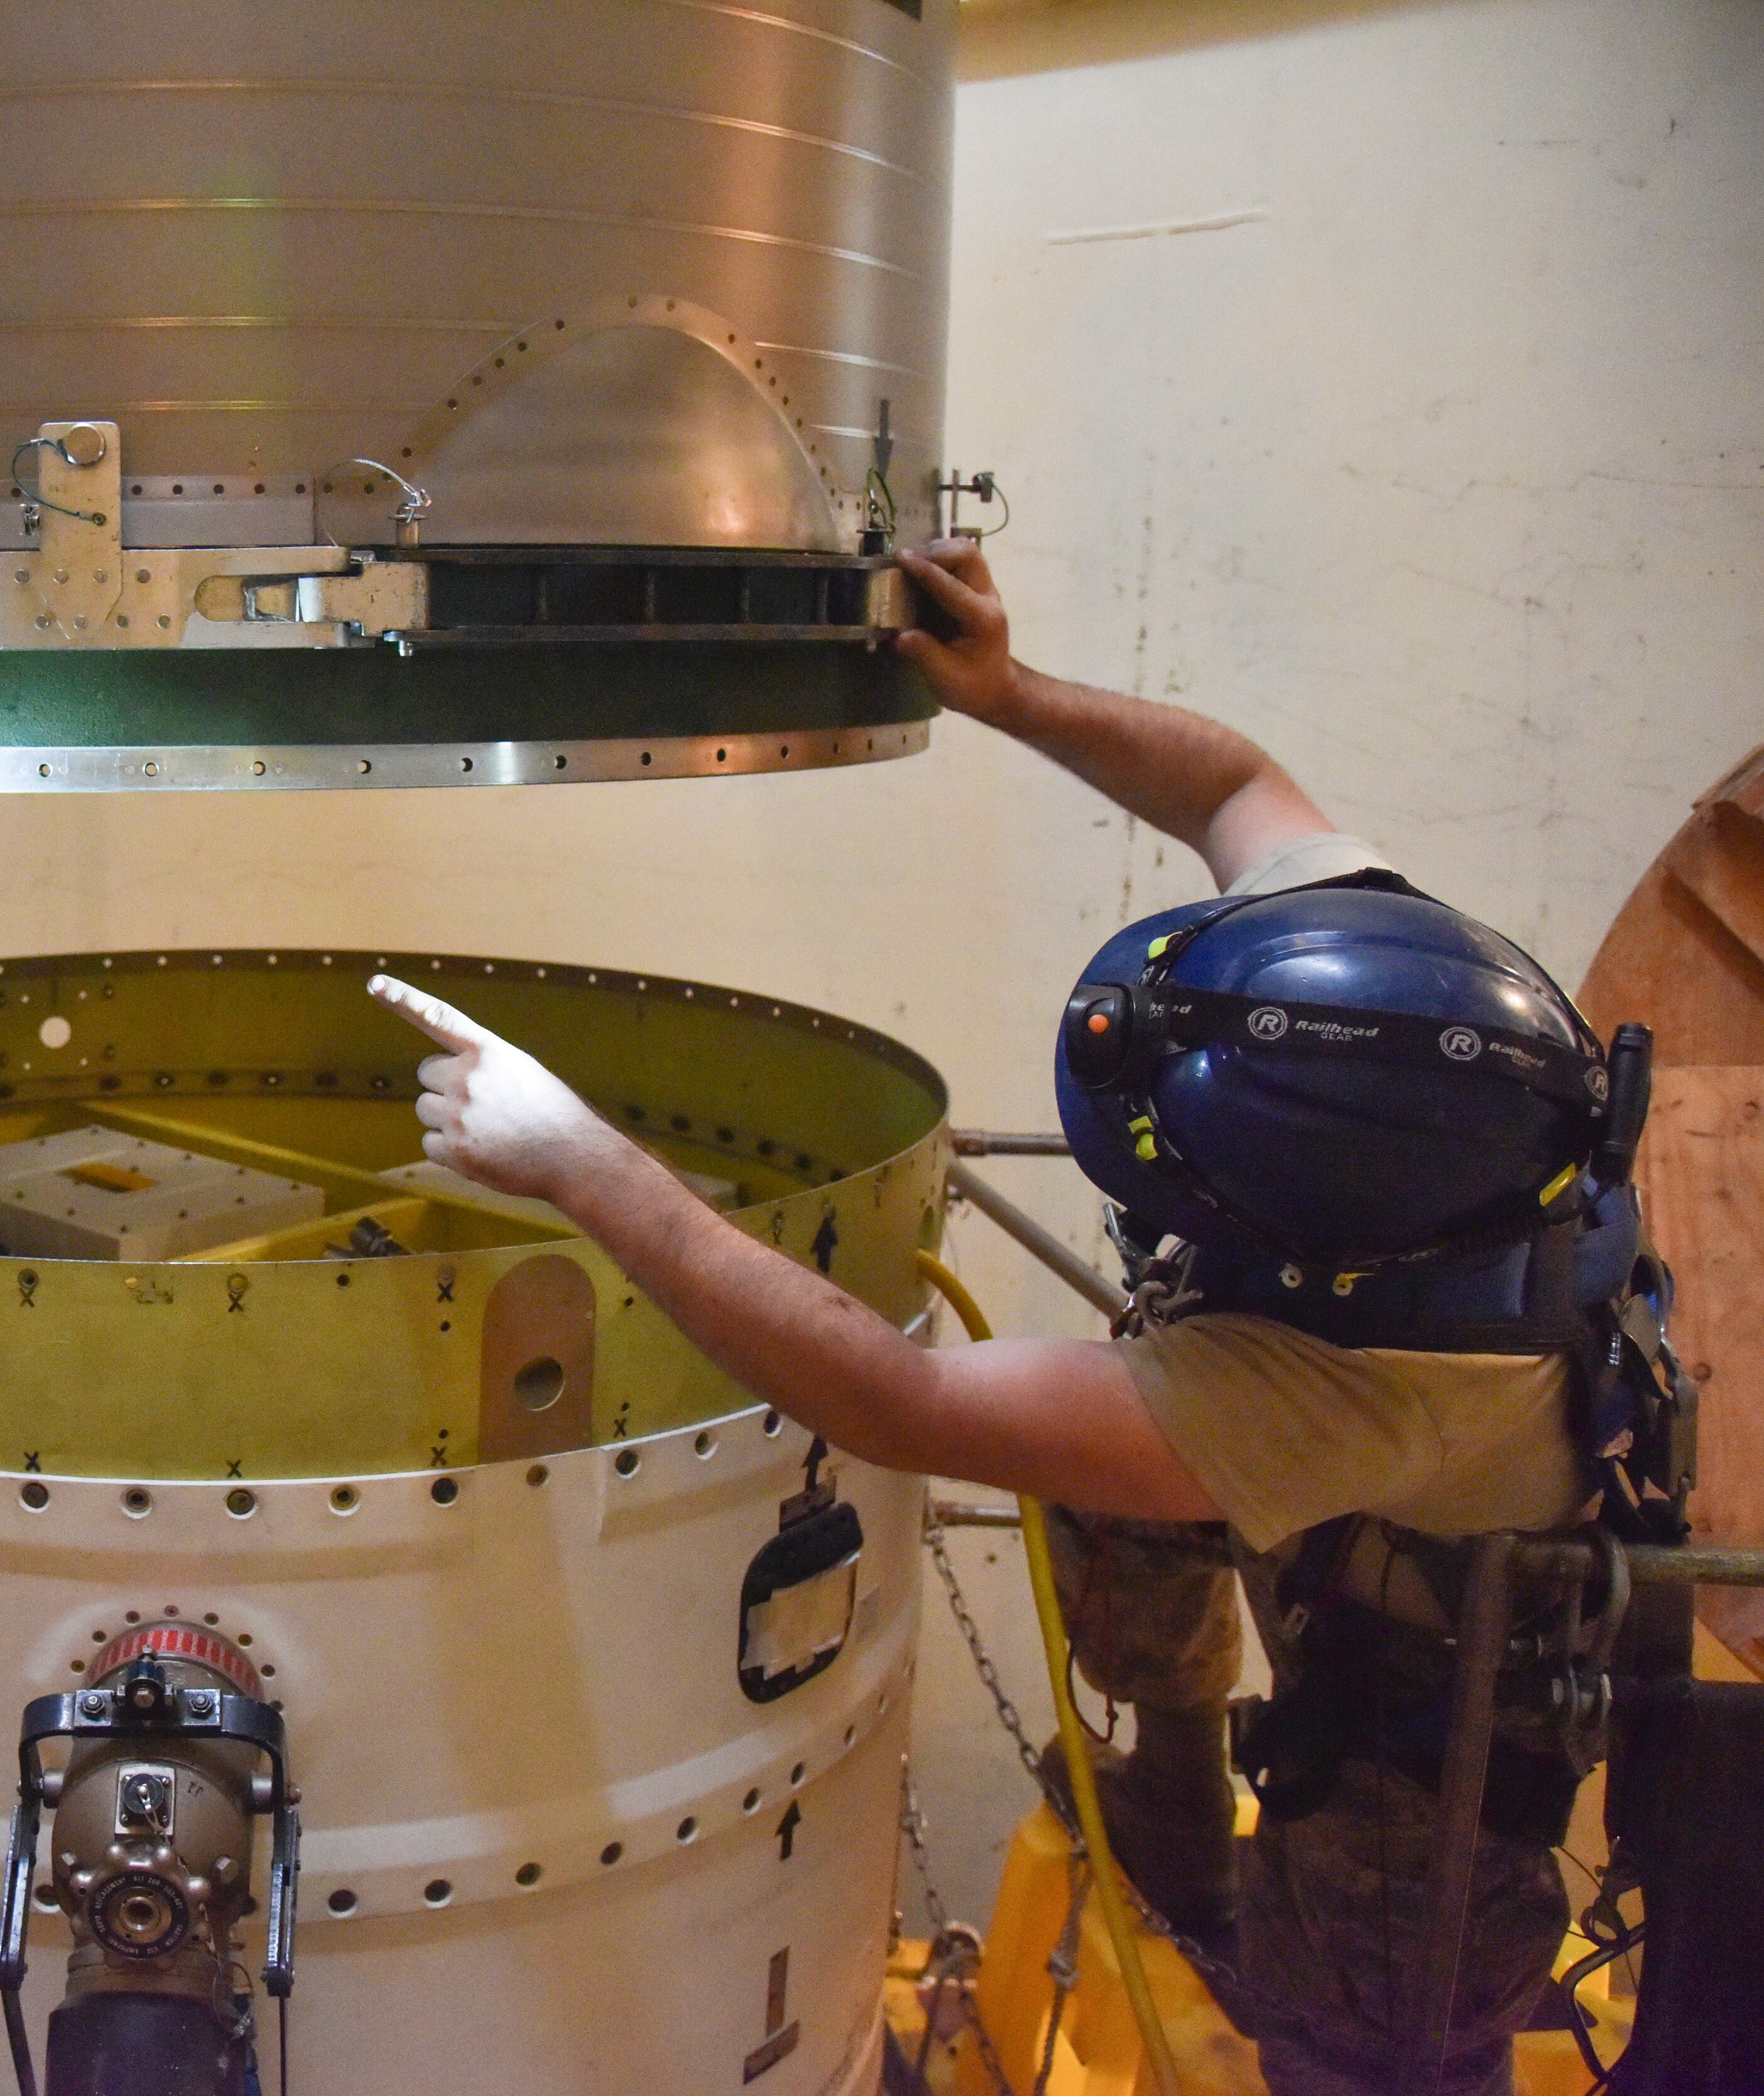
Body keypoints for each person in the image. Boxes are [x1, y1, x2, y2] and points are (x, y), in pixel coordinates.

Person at [368, 540, 1679, 2096]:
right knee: (1122, 1457)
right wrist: (1005, 692)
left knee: (1376, 2006)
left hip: (1439, 1670)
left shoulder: (1363, 1382)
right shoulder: (1385, 998)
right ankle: (1175, 1793)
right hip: (1363, 1503)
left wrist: (580, 1160)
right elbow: (1231, 782)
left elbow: (897, 1403)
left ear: (1306, 1236)